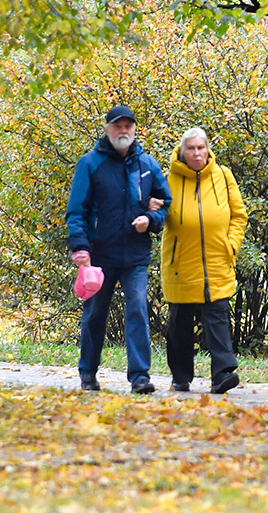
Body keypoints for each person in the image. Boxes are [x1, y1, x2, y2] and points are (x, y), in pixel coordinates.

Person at [66, 105, 171, 394]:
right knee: (95, 313)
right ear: (107, 129)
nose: (123, 131)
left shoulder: (147, 165)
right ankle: (88, 372)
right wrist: (80, 247)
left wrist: (150, 219)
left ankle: (140, 377)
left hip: (136, 255)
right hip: (99, 255)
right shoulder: (89, 164)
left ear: (134, 130)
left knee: (137, 307)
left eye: (128, 126)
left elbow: (166, 203)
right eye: (117, 126)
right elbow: (76, 210)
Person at [158, 127, 247, 394]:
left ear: (207, 149)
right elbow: (158, 215)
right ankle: (181, 376)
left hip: (217, 260)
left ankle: (223, 374)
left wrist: (230, 245)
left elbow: (239, 215)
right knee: (180, 322)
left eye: (201, 147)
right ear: (183, 152)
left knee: (218, 317)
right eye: (191, 148)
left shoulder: (223, 176)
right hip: (180, 263)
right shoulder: (168, 179)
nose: (197, 153)